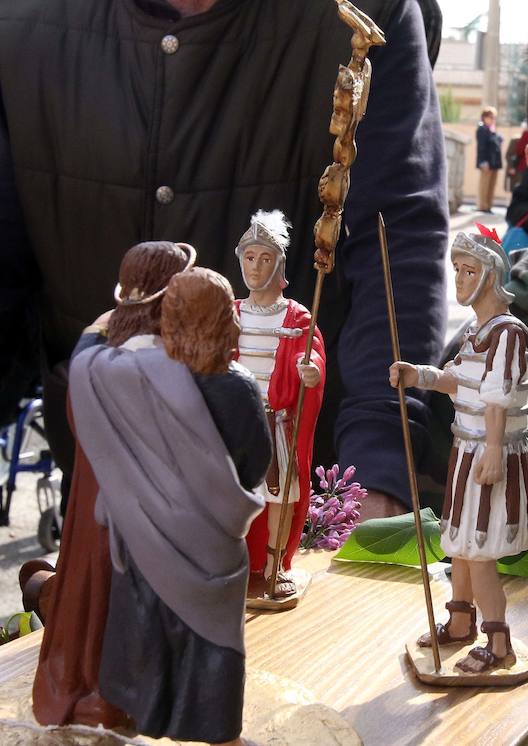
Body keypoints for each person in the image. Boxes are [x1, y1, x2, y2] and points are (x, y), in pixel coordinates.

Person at [0, 0, 448, 518]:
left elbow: (397, 241)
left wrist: (377, 467)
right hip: (102, 484)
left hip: (301, 494)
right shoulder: (19, 17)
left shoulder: (367, 15)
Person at [70, 266, 268, 745]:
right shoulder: (238, 385)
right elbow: (256, 461)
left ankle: (145, 712)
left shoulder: (136, 374)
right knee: (212, 639)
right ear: (223, 321)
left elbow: (83, 367)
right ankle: (217, 731)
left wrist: (98, 327)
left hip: (143, 530)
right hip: (212, 539)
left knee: (146, 623)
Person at [31, 241, 197, 729]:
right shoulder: (156, 353)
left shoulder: (100, 342)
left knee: (106, 585)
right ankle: (112, 691)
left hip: (103, 492)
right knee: (117, 587)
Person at [391, 227, 528, 674]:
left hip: (491, 453)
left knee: (479, 551)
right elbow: (457, 379)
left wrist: (492, 449)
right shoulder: (477, 331)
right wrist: (419, 375)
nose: (459, 278)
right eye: (456, 269)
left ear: (490, 275)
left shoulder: (508, 333)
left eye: (469, 270)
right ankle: (459, 623)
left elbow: (497, 397)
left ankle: (499, 644)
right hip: (466, 449)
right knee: (458, 543)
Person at [233, 209, 326, 597]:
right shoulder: (232, 312)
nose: (255, 267)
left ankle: (273, 565)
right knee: (232, 495)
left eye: (264, 258)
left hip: (276, 423)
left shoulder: (296, 316)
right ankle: (234, 563)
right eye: (249, 257)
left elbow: (311, 350)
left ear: (279, 264)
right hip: (234, 424)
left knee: (281, 496)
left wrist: (311, 370)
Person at [476, 106, 504, 213]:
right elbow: (481, 147)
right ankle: (482, 206)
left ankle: (488, 206)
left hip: (494, 162)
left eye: (494, 117)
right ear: (485, 117)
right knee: (484, 185)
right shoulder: (482, 129)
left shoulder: (491, 129)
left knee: (491, 185)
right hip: (486, 162)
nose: (493, 119)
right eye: (491, 117)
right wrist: (483, 161)